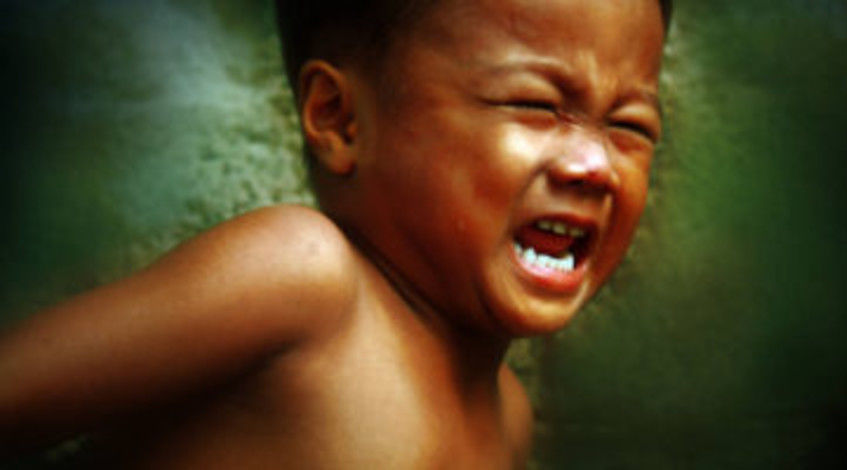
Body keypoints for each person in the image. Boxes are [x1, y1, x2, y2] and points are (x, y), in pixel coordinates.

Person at [0, 0, 670, 467]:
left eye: (630, 126)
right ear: (339, 118)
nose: (596, 165)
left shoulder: (508, 417)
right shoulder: (304, 280)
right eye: (535, 105)